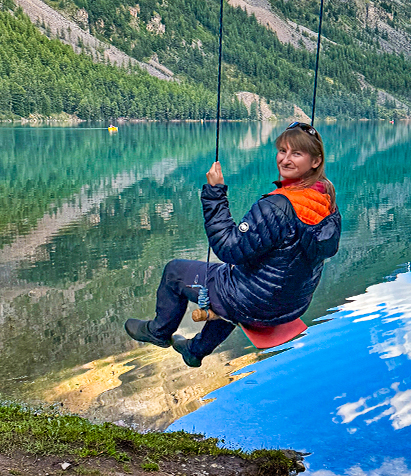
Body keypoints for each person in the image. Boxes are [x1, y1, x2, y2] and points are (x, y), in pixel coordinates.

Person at [124, 122, 341, 367]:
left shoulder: (277, 207)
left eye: (296, 153)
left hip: (257, 303)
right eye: (282, 150)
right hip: (293, 304)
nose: (285, 159)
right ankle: (195, 350)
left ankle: (158, 332)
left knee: (175, 271)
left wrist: (215, 192)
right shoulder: (325, 198)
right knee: (229, 282)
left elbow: (228, 248)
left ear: (315, 161)